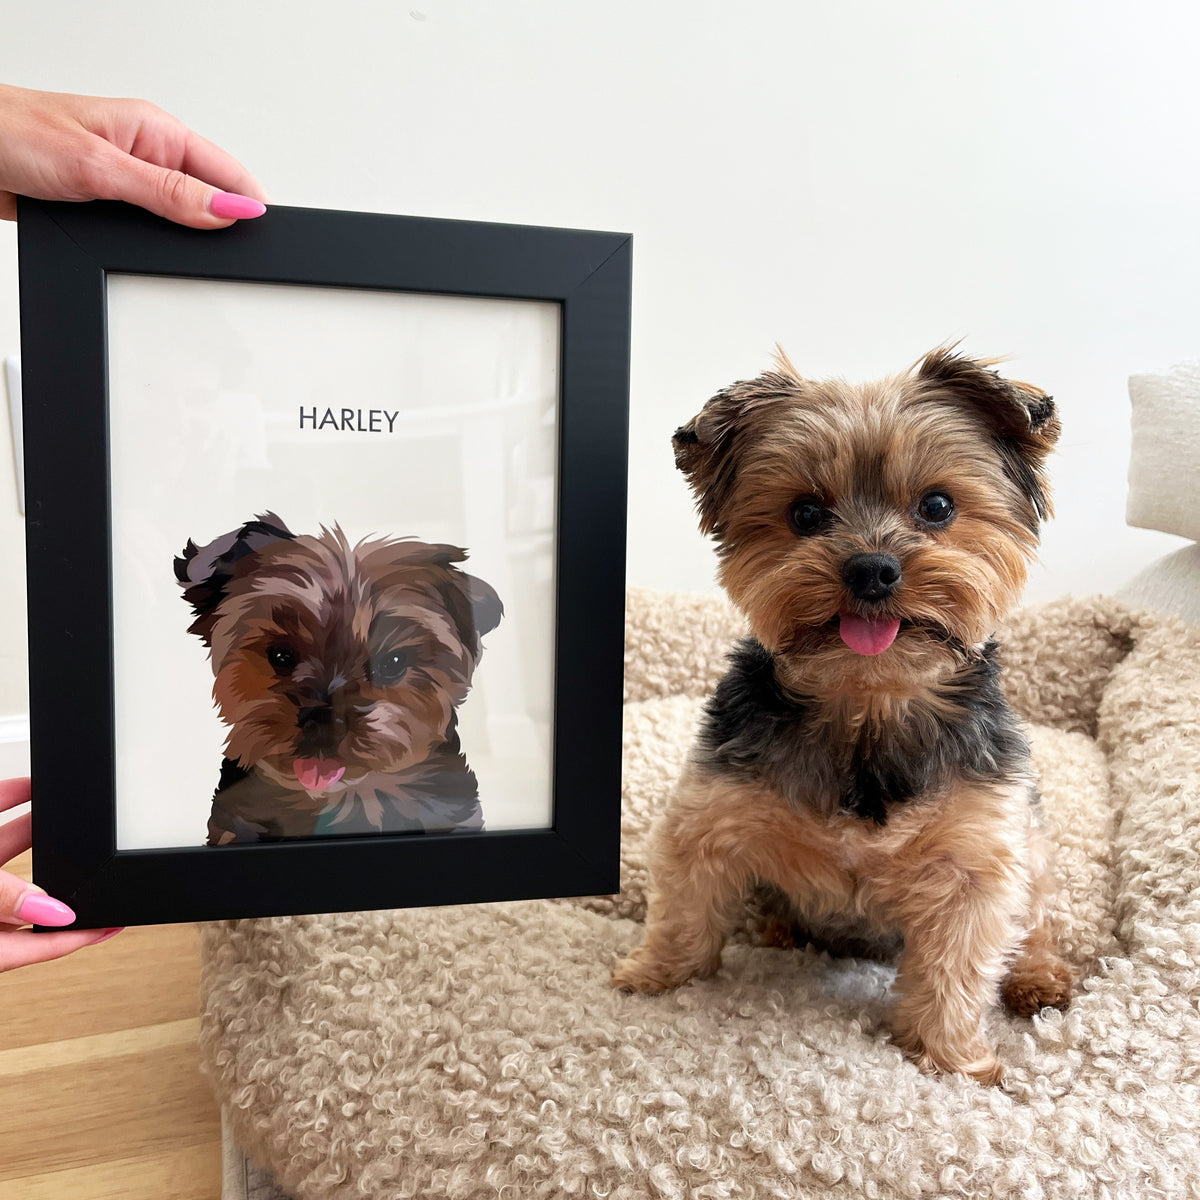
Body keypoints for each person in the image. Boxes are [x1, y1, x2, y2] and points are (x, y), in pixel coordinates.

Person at [0, 83, 268, 970]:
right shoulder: (113, 532)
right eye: (170, 395)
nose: (187, 420)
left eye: (203, 403)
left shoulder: (179, 530)